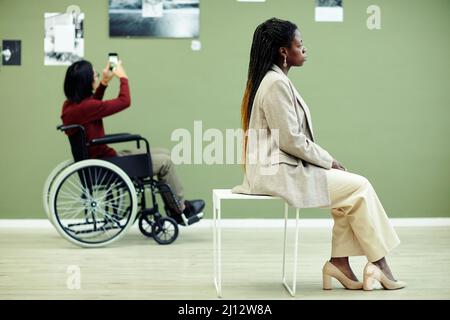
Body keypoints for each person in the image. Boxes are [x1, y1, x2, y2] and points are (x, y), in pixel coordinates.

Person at [232, 18, 405, 290]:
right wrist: (328, 160)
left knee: (348, 194)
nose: (305, 49)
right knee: (359, 186)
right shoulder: (275, 84)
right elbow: (290, 140)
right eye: (300, 45)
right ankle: (379, 264)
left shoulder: (272, 81)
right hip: (278, 171)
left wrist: (324, 164)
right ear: (283, 52)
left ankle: (340, 264)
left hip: (280, 167)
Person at [61, 59, 204, 225]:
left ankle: (174, 208)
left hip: (102, 161)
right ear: (86, 82)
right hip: (108, 165)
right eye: (95, 75)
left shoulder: (71, 106)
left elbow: (93, 106)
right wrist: (123, 77)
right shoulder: (85, 108)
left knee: (164, 153)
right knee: (165, 162)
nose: (97, 76)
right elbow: (124, 101)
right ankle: (180, 210)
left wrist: (104, 83)